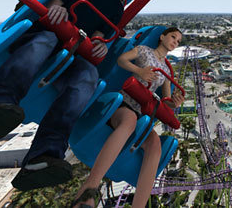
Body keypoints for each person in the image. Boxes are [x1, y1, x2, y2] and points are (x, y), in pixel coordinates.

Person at [0, 0, 143, 191]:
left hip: (73, 53)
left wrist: (100, 44)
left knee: (88, 77)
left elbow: (100, 33)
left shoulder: (117, 7)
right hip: (50, 33)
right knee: (44, 42)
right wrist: (56, 9)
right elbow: (57, 1)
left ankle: (43, 156)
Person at [70, 28, 185, 208]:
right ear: (162, 37)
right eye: (173, 37)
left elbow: (166, 100)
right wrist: (140, 71)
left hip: (142, 111)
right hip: (123, 102)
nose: (175, 42)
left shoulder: (166, 69)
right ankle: (89, 189)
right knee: (129, 120)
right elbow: (122, 60)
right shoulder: (144, 50)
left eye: (178, 41)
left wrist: (174, 103)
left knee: (155, 145)